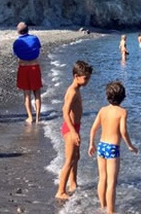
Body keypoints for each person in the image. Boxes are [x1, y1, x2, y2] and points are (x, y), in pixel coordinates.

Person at [88, 81, 138, 214]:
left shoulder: (103, 110)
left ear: (107, 96)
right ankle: (111, 211)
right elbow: (123, 131)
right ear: (123, 97)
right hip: (112, 148)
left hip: (101, 146)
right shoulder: (122, 112)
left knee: (102, 178)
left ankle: (103, 206)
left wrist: (91, 144)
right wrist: (130, 145)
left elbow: (93, 128)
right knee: (111, 183)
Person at [56, 60, 93, 200]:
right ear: (76, 76)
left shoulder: (77, 89)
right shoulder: (72, 91)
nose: (88, 81)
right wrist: (72, 131)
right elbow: (65, 111)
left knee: (76, 157)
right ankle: (60, 191)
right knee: (69, 160)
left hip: (75, 127)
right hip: (70, 128)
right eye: (86, 78)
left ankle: (73, 183)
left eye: (89, 77)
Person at [12, 22, 42, 123]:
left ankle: (30, 117)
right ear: (28, 30)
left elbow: (16, 54)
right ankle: (38, 116)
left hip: (24, 67)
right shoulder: (34, 38)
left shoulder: (17, 42)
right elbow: (38, 48)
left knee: (26, 93)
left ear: (18, 31)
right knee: (37, 92)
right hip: (35, 66)